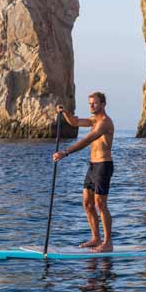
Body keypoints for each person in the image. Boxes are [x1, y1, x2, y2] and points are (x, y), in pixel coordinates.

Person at [52, 92, 115, 252]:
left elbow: (87, 140)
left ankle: (108, 243)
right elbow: (74, 122)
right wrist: (65, 112)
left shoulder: (105, 123)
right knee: (87, 203)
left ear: (103, 104)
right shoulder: (93, 120)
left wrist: (65, 152)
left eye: (94, 103)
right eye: (90, 103)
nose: (91, 106)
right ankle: (96, 238)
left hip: (103, 166)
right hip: (93, 166)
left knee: (100, 204)